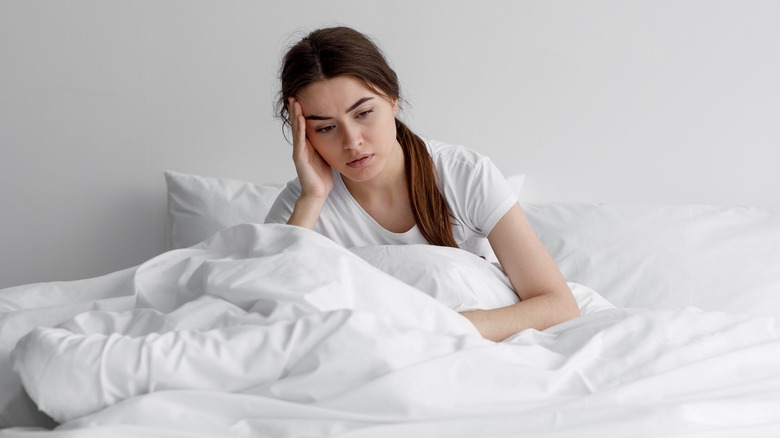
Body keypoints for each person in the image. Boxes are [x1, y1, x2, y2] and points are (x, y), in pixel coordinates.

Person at [265, 26, 580, 341]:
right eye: (326, 128)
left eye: (363, 113)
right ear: (302, 134)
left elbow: (558, 304)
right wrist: (312, 199)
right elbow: (269, 306)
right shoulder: (303, 203)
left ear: (392, 100)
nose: (352, 141)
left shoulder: (465, 175)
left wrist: (440, 330)